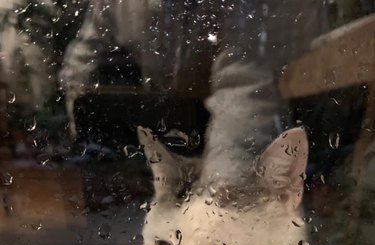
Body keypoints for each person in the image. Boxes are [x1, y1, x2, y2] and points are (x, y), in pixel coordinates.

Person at [60, 0, 329, 182]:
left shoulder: (240, 9)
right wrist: (75, 127)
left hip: (230, 116)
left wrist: (222, 191)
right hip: (163, 109)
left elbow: (243, 88)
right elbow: (83, 57)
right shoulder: (117, 4)